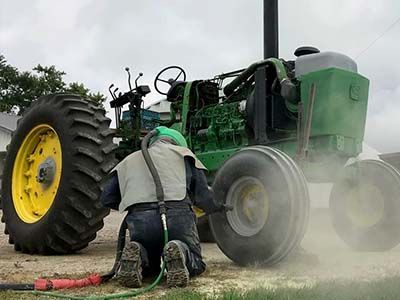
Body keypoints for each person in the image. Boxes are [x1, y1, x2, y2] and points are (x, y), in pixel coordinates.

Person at [101, 126, 226, 288]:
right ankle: (180, 250)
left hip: (141, 220)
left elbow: (106, 198)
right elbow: (204, 197)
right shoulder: (185, 156)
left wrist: (133, 203)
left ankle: (139, 253)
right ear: (179, 143)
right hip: (178, 217)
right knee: (196, 264)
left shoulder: (128, 161)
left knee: (150, 268)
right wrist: (218, 207)